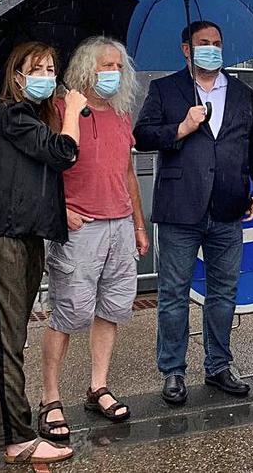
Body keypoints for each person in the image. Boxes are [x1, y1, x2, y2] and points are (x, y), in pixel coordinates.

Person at [0, 41, 84, 465]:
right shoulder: (11, 114)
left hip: (25, 233)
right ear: (17, 75)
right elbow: (64, 154)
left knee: (2, 330)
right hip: (1, 235)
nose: (47, 74)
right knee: (8, 337)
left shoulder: (30, 117)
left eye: (52, 66)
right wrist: (72, 113)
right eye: (37, 68)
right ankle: (17, 437)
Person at [134, 20, 253, 406]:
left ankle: (219, 365)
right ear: (186, 49)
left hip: (228, 209)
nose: (212, 48)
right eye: (203, 43)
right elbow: (142, 135)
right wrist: (181, 127)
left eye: (217, 43)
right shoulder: (164, 89)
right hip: (180, 208)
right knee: (173, 294)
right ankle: (173, 371)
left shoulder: (242, 92)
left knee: (224, 293)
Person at [37, 38, 148, 442]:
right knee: (68, 314)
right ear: (86, 67)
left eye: (118, 65)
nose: (113, 72)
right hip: (79, 229)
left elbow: (128, 173)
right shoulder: (59, 110)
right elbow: (43, 168)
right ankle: (50, 397)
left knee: (112, 310)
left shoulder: (120, 115)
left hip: (120, 225)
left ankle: (97, 386)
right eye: (105, 65)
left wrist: (138, 224)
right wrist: (60, 211)